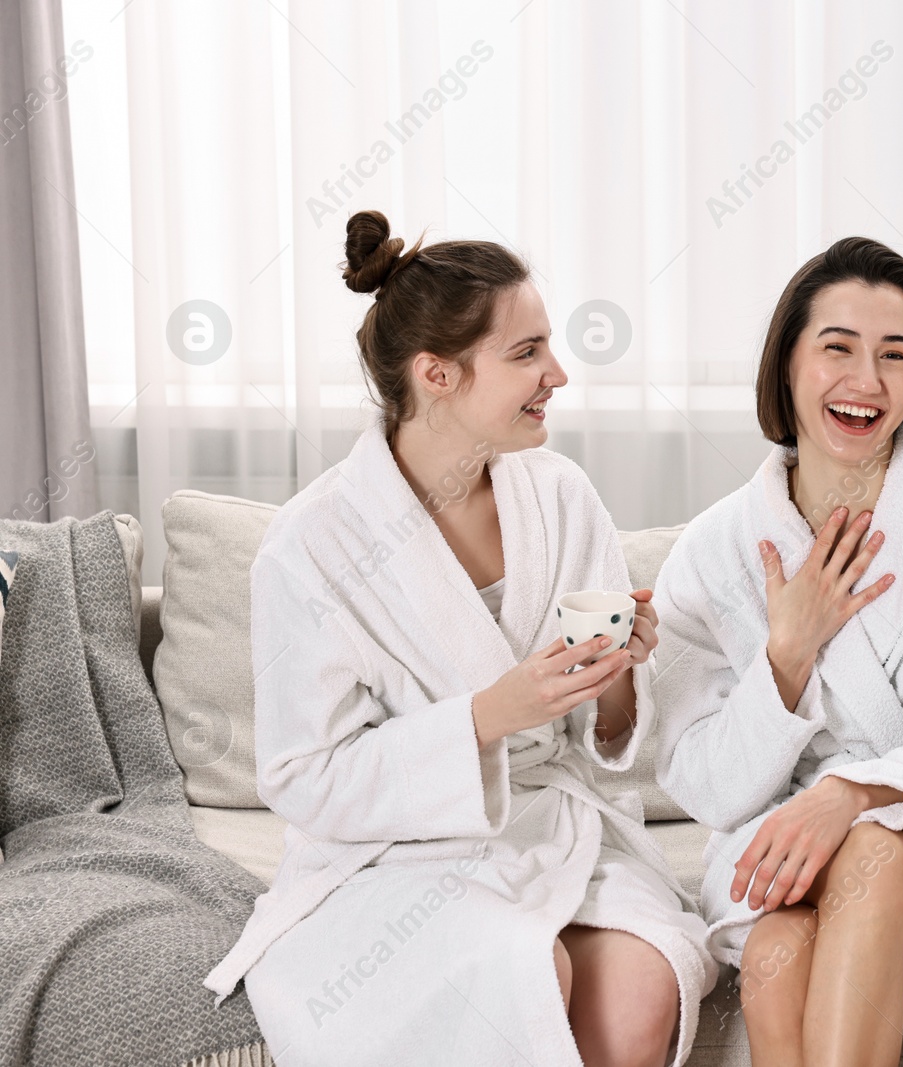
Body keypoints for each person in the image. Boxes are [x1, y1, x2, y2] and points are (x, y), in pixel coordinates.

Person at [203, 210, 715, 1067]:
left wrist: (621, 668)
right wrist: (484, 716)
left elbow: (606, 734)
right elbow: (301, 777)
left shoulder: (559, 497)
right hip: (395, 856)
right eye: (526, 354)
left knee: (641, 989)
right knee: (522, 966)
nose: (558, 373)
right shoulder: (313, 543)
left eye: (548, 346)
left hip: (553, 823)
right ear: (436, 373)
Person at [651, 236, 903, 1066]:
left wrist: (850, 792)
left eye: (894, 356)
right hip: (776, 853)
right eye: (837, 347)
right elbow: (701, 781)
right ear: (788, 361)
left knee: (874, 846)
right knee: (771, 953)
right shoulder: (718, 546)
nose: (865, 382)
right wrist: (786, 657)